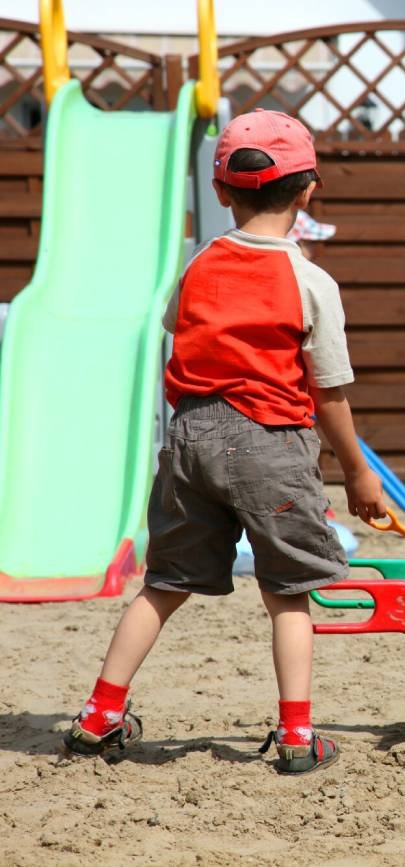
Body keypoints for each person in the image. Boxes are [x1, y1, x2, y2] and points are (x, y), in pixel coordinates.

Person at [62, 109, 385, 775]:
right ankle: (296, 734)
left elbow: (176, 329)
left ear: (220, 191)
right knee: (288, 592)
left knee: (163, 583)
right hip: (271, 443)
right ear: (308, 191)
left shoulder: (199, 265)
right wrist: (358, 471)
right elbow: (328, 393)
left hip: (190, 438)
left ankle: (98, 714)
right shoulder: (310, 281)